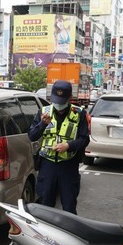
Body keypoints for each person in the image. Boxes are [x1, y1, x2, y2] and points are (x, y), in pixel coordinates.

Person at [29, 80, 90, 214]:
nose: (58, 105)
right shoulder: (43, 112)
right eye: (56, 100)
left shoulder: (79, 113)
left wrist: (68, 145)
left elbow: (85, 139)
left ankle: (68, 233)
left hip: (69, 166)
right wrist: (42, 124)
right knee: (45, 205)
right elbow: (32, 136)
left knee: (69, 206)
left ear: (69, 98)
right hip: (47, 165)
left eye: (62, 101)